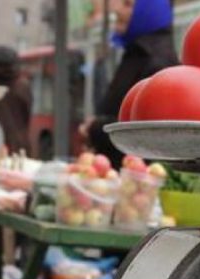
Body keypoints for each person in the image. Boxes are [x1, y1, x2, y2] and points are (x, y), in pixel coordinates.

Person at [81, 0, 179, 169]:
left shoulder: (156, 62)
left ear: (149, 12)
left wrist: (95, 128)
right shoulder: (136, 54)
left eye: (127, 4)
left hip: (137, 180)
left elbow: (147, 134)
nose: (117, 10)